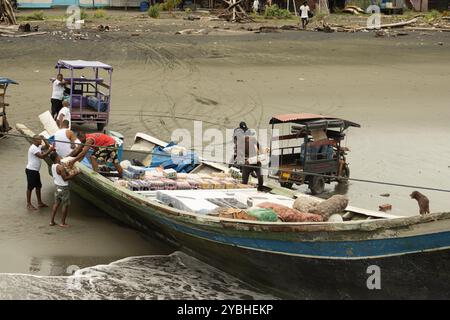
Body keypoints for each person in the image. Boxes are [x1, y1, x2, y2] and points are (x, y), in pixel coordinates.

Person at [49, 152, 80, 227]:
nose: (60, 156)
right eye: (58, 155)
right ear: (56, 158)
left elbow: (59, 174)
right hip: (63, 188)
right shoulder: (60, 167)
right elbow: (65, 178)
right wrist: (76, 173)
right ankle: (62, 223)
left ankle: (52, 221)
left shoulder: (53, 166)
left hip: (57, 187)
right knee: (65, 205)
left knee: (56, 204)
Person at [25, 135, 54, 210]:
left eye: (41, 140)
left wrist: (44, 139)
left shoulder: (38, 146)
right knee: (30, 187)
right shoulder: (33, 148)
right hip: (31, 170)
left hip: (35, 170)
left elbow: (47, 147)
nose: (40, 141)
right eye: (39, 140)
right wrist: (50, 150)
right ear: (35, 140)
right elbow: (41, 156)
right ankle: (28, 204)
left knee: (38, 186)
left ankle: (40, 202)